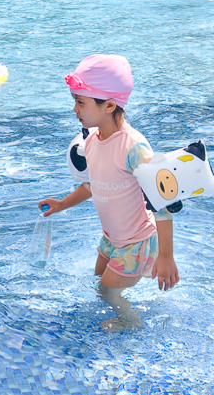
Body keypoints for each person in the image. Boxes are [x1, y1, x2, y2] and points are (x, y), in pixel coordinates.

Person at [39, 54, 178, 332]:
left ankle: (132, 323)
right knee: (97, 284)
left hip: (136, 241)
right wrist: (62, 204)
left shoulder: (134, 147)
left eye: (80, 102)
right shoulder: (92, 140)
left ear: (110, 105)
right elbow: (94, 184)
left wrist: (165, 256)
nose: (74, 109)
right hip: (111, 239)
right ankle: (125, 315)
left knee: (107, 292)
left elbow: (161, 202)